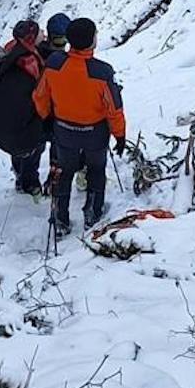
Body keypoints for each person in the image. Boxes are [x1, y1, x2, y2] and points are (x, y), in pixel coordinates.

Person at [32, 16, 127, 236]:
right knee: (96, 170)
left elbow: (40, 96)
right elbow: (114, 108)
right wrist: (120, 135)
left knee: (64, 172)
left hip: (64, 130)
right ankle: (92, 212)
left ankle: (60, 218)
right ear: (92, 40)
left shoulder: (55, 63)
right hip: (95, 133)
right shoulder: (102, 72)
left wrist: (47, 118)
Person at [0, 18, 49, 193]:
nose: (43, 34)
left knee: (20, 149)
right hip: (25, 115)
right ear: (32, 38)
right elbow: (37, 90)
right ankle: (29, 184)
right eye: (39, 32)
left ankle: (20, 175)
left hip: (7, 117)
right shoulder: (30, 61)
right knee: (34, 146)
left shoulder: (12, 51)